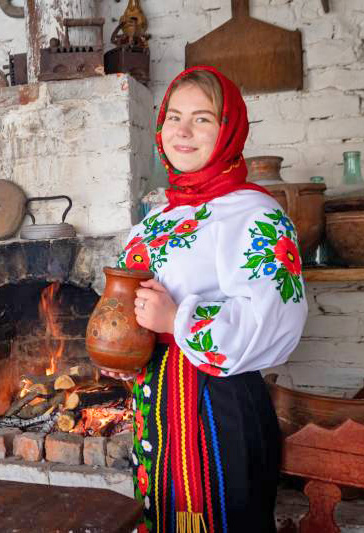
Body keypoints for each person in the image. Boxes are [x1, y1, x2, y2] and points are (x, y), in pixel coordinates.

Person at [112, 66, 308, 532]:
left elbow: (276, 322)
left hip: (216, 409)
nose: (182, 131)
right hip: (157, 399)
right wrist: (124, 349)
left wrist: (177, 318)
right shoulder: (157, 218)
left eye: (202, 119)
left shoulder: (255, 214)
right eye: (174, 117)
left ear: (229, 129)